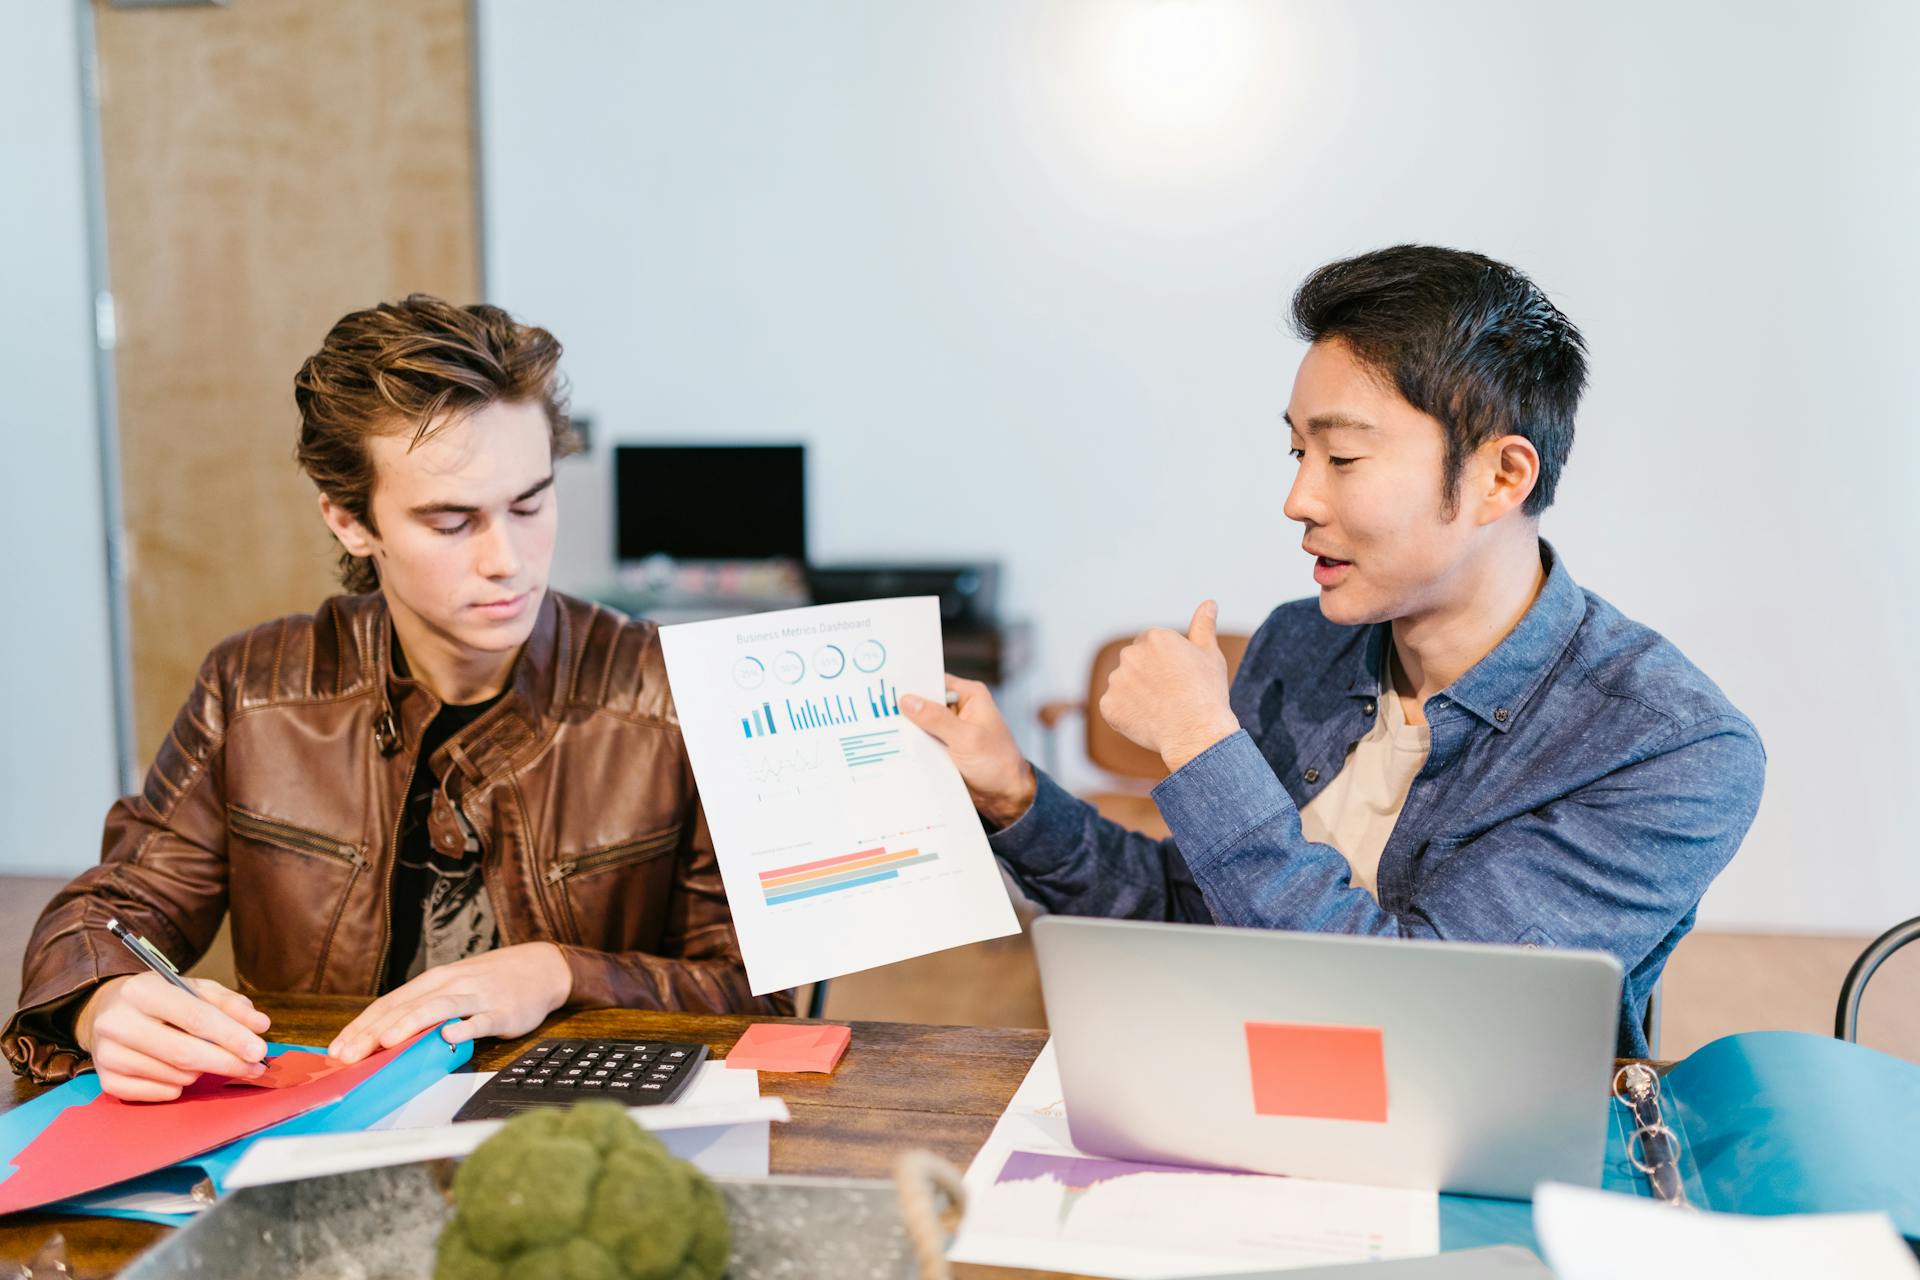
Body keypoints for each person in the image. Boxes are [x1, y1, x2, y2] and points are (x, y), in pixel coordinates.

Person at [903, 245, 1765, 1054]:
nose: (1298, 498)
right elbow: (1197, 913)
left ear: (1504, 477)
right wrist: (1013, 793)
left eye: (1343, 456)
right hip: (1241, 1103)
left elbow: (1415, 1020)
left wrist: (1204, 748)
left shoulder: (1671, 749)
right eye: (1296, 448)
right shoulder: (1302, 642)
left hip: (1458, 1181)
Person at [4, 295, 786, 1098]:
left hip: (578, 1136)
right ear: (350, 521)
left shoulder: (666, 690)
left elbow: (756, 994)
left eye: (530, 504)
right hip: (309, 1141)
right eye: (452, 523)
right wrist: (102, 1003)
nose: (506, 560)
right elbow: (110, 912)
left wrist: (557, 973)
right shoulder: (254, 690)